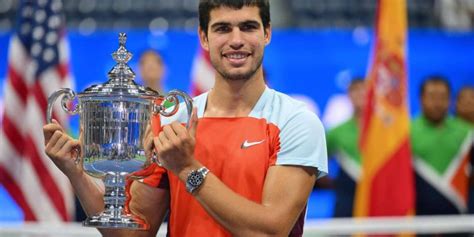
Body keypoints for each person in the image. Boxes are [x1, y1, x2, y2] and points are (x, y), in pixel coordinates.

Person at [43, 1, 328, 236]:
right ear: (204, 37)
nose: (237, 40)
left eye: (248, 27)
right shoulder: (171, 118)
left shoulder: (296, 121)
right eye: (223, 29)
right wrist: (76, 174)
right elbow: (135, 233)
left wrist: (188, 169)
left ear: (267, 33)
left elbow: (270, 231)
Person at [411, 76, 473, 217]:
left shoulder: (467, 133)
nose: (437, 103)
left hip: (459, 215)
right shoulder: (406, 134)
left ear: (450, 101)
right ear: (421, 99)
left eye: (443, 97)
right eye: (432, 97)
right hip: (419, 216)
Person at [325, 78, 365, 217]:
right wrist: (336, 184)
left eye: (364, 89)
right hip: (347, 200)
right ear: (349, 95)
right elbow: (319, 164)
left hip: (379, 197)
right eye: (356, 90)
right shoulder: (336, 132)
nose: (361, 94)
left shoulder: (385, 132)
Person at [455, 86, 474, 214]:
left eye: (472, 99)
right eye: (463, 99)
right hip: (455, 189)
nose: (468, 102)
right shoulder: (445, 131)